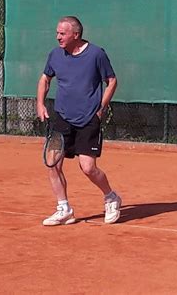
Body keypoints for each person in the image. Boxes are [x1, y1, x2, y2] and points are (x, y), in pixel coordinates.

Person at [36, 16, 121, 226]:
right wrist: (40, 103)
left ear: (76, 34)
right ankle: (63, 208)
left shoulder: (96, 54)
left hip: (88, 119)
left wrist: (101, 108)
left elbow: (112, 81)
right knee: (53, 163)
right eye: (57, 33)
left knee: (88, 168)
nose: (58, 37)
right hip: (62, 117)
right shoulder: (55, 55)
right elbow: (45, 79)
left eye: (62, 34)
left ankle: (111, 197)